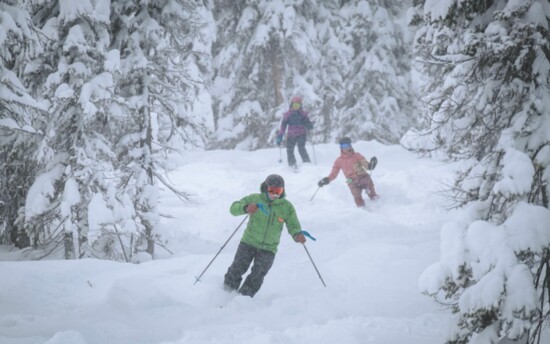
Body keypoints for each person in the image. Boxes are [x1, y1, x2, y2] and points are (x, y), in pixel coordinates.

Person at [224, 174, 306, 297]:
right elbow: (233, 208)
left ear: (283, 190)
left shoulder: (286, 207)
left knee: (257, 275)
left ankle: (242, 300)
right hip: (248, 243)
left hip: (268, 249)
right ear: (265, 188)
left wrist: (297, 234)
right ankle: (225, 293)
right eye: (271, 190)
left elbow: (293, 224)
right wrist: (246, 208)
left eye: (278, 191)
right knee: (237, 268)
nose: (274, 194)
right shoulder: (255, 199)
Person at [317, 137, 378, 207]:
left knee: (372, 194)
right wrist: (327, 180)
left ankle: (377, 202)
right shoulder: (339, 161)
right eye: (344, 146)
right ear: (341, 148)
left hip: (364, 177)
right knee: (357, 198)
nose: (347, 148)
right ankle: (362, 210)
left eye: (348, 145)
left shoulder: (357, 155)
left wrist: (371, 165)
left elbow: (366, 165)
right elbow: (334, 173)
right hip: (351, 181)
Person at [276, 96, 313, 169]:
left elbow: (308, 124)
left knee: (301, 148)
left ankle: (307, 163)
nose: (296, 107)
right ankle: (292, 163)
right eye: (294, 105)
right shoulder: (288, 114)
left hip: (301, 134)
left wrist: (309, 125)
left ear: (300, 106)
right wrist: (280, 135)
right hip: (291, 135)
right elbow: (283, 126)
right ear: (292, 104)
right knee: (289, 149)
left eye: (298, 105)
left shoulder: (303, 114)